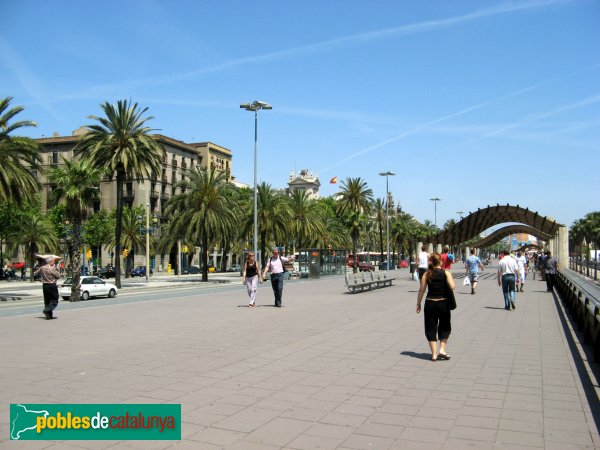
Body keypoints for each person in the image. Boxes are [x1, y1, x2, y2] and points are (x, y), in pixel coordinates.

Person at [416, 253, 456, 361]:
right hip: (443, 304)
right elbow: (453, 287)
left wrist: (418, 303)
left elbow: (422, 290)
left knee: (430, 328)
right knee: (445, 326)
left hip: (430, 304)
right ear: (441, 262)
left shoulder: (426, 274)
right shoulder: (445, 273)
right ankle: (442, 350)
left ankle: (434, 354)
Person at [34, 256, 62, 320]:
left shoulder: (42, 268)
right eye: (53, 261)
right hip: (52, 285)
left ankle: (49, 316)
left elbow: (35, 274)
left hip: (45, 285)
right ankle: (47, 310)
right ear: (50, 261)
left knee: (47, 301)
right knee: (54, 300)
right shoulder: (52, 268)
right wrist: (57, 268)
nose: (54, 262)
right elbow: (58, 276)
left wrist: (40, 279)